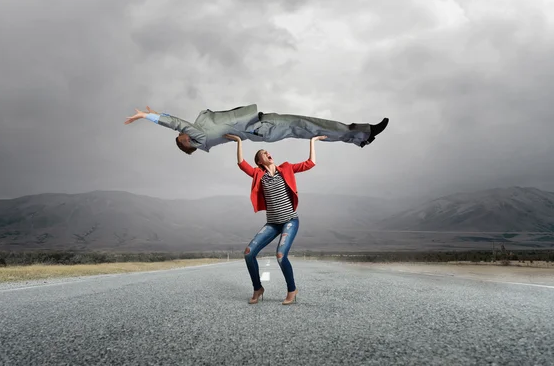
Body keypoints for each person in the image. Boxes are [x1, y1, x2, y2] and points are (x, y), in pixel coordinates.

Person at [224, 132, 326, 305]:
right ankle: (258, 288)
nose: (267, 153)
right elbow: (241, 164)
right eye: (263, 153)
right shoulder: (258, 174)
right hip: (272, 224)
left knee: (280, 255)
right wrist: (238, 141)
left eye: (267, 151)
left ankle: (292, 290)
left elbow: (310, 163)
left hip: (290, 221)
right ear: (259, 161)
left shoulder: (286, 168)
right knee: (249, 253)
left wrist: (313, 141)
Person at [124, 104, 388, 154]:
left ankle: (360, 137)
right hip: (262, 127)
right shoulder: (199, 136)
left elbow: (178, 123)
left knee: (311, 127)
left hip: (262, 126)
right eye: (180, 137)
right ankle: (363, 133)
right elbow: (178, 124)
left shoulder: (200, 136)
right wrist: (150, 116)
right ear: (187, 142)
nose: (180, 133)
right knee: (311, 126)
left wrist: (158, 112)